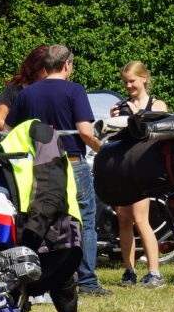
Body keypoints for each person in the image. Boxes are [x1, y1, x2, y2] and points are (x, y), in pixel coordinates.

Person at [8, 44, 110, 297]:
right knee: (84, 222)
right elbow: (85, 131)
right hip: (72, 163)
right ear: (67, 65)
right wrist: (103, 150)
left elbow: (10, 129)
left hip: (38, 167)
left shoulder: (27, 94)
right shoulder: (74, 90)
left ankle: (41, 278)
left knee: (44, 220)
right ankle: (87, 282)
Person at [113, 61, 169, 288]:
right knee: (123, 219)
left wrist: (137, 115)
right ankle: (129, 271)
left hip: (143, 168)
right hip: (123, 167)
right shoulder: (121, 105)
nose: (128, 86)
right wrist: (116, 119)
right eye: (125, 82)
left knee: (140, 219)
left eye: (132, 81)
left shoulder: (158, 105)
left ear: (144, 78)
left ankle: (154, 271)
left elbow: (158, 135)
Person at [0, 44, 49, 131]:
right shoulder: (14, 89)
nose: (53, 71)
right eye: (48, 67)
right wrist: (21, 135)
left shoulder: (58, 90)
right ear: (36, 67)